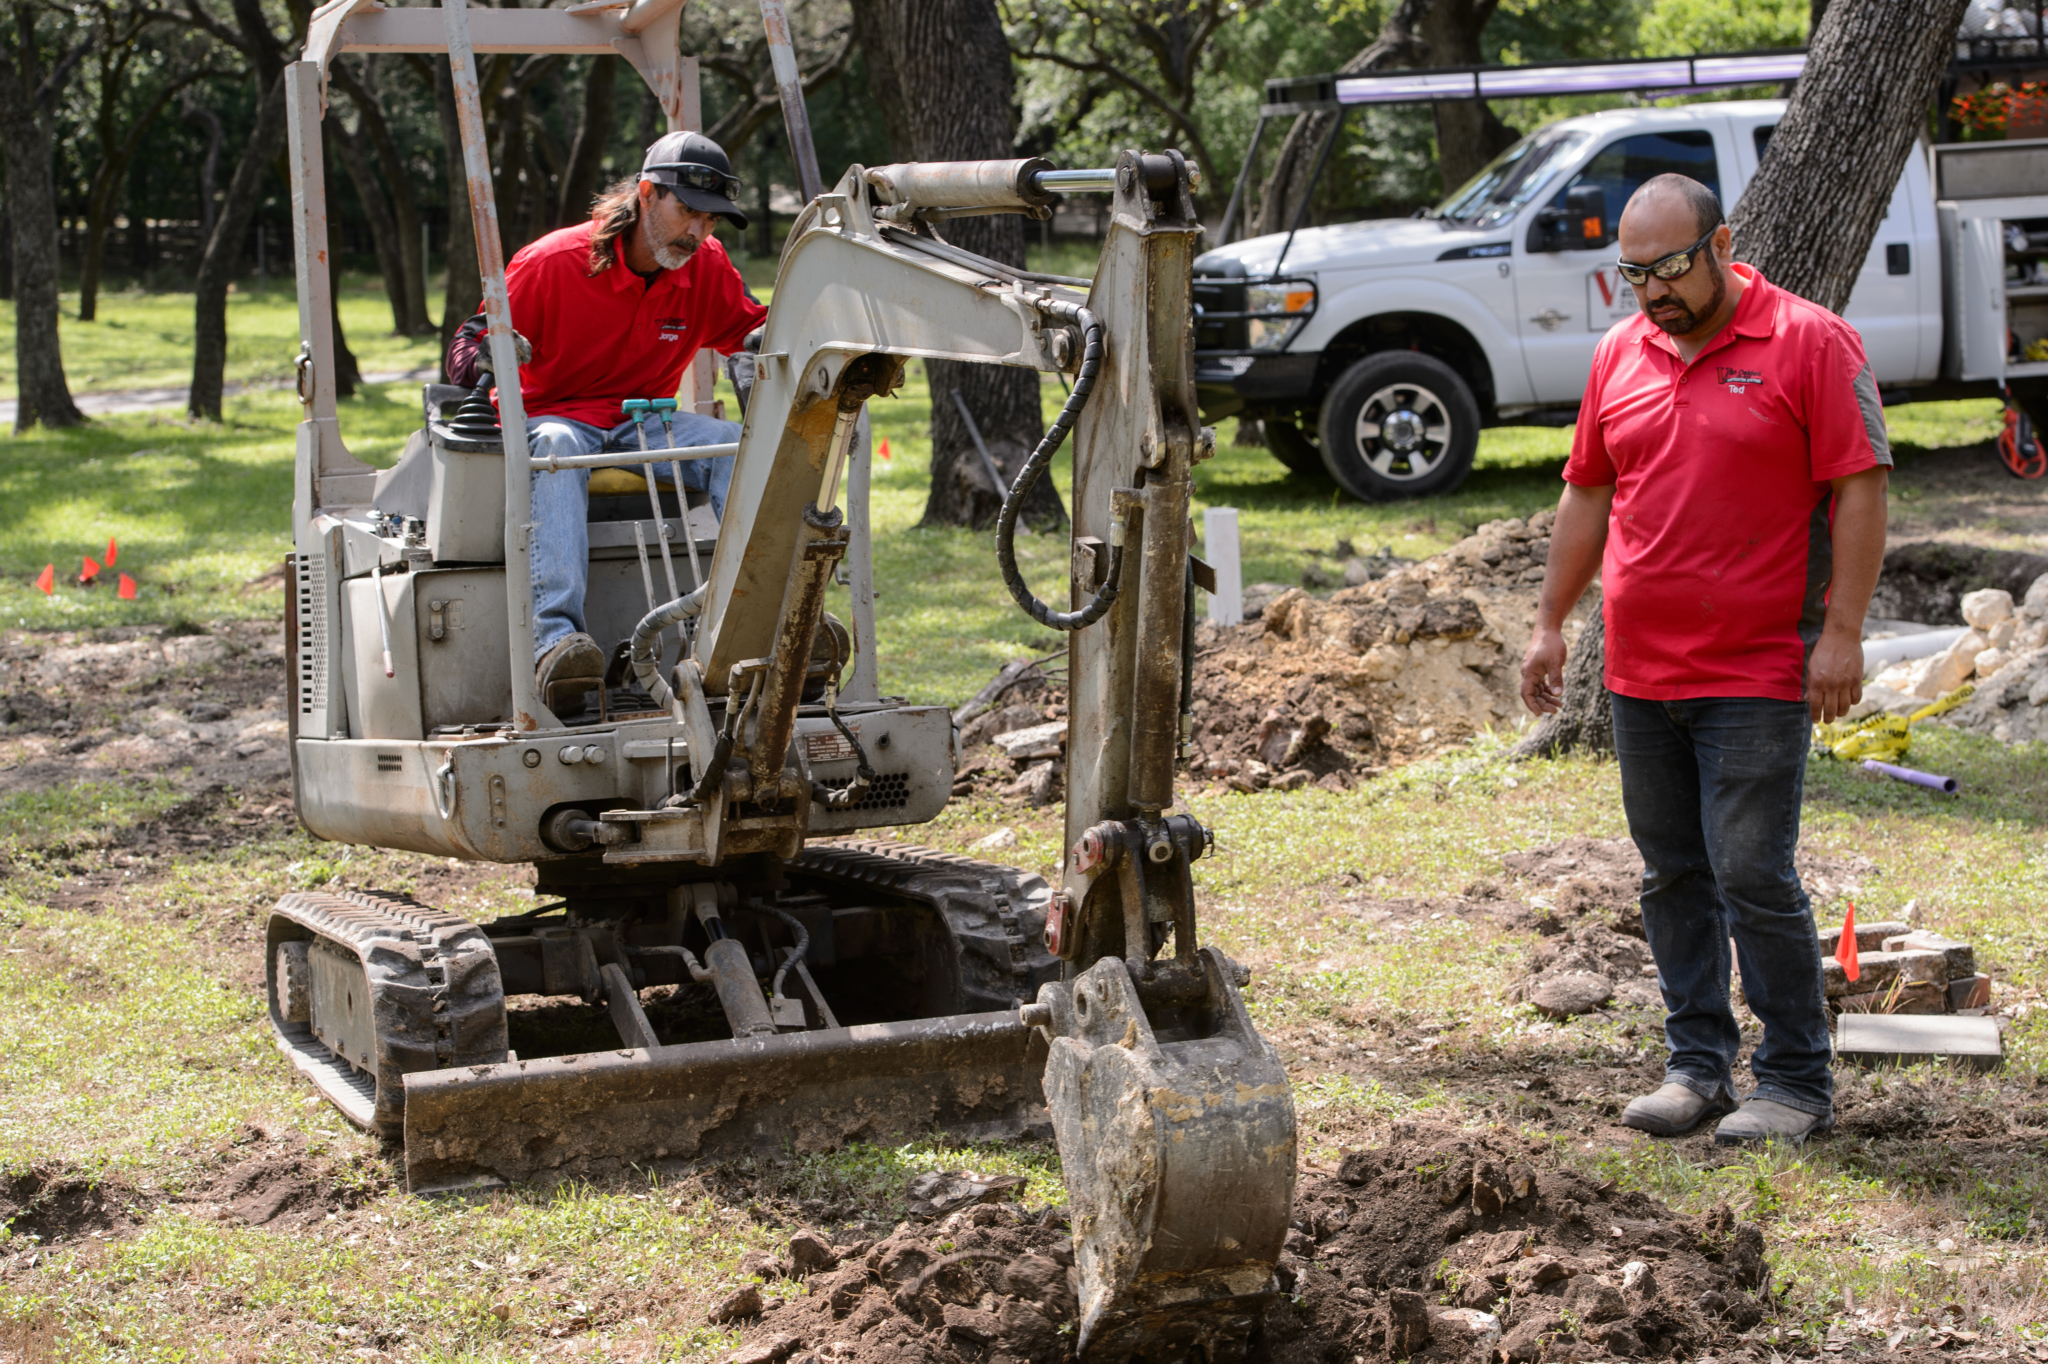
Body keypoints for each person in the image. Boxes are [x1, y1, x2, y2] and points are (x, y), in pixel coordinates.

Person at [1518, 173, 1890, 1146]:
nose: (1654, 292)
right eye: (1633, 273)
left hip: (1757, 667)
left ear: (1722, 244)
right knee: (1671, 873)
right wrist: (1550, 622)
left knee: (1750, 872)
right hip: (1641, 671)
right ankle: (1696, 1067)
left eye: (1671, 268)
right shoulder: (1619, 353)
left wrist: (1842, 632)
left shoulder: (1811, 341)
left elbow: (1859, 488)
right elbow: (1586, 491)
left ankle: (1795, 1080)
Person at [475, 130, 768, 709]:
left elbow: (750, 331)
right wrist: (483, 351)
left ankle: (760, 628)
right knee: (558, 446)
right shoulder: (551, 263)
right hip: (554, 418)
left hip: (645, 421)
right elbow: (471, 342)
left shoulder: (705, 264)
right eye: (688, 212)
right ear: (647, 194)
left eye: (710, 220)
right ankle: (556, 646)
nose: (698, 232)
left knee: (736, 446)